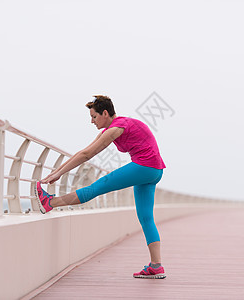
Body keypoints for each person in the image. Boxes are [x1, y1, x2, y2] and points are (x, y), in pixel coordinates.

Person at [35, 95, 167, 279]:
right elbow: (83, 151)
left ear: (105, 113)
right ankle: (156, 266)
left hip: (145, 167)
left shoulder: (116, 129)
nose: (91, 121)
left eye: (94, 116)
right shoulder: (114, 127)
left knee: (98, 187)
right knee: (146, 218)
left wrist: (58, 174)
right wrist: (58, 171)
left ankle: (51, 202)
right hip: (154, 171)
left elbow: (88, 154)